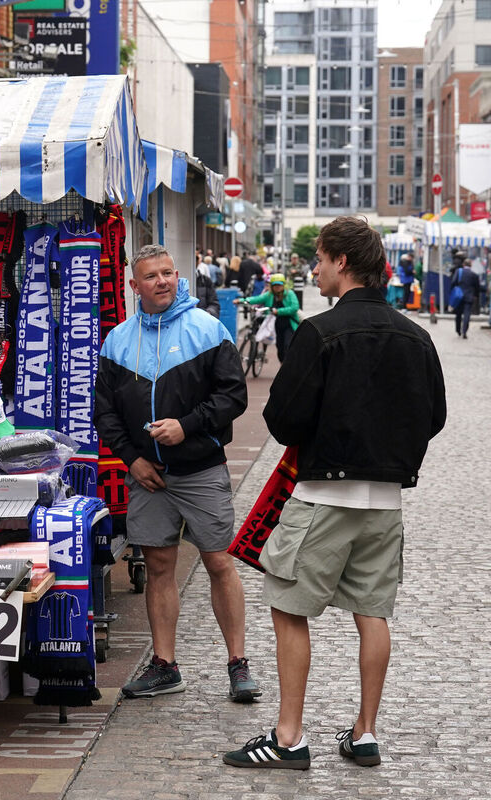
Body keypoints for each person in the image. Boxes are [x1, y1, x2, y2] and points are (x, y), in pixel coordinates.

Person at [223, 216, 445, 771]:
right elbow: (434, 417)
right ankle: (365, 733)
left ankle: (290, 736)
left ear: (342, 263)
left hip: (324, 495)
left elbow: (281, 418)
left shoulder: (321, 332)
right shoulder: (416, 336)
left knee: (286, 604)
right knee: (372, 613)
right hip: (386, 502)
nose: (313, 269)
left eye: (318, 259)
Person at [95, 244, 259, 703]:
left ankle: (238, 663)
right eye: (151, 276)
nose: (163, 282)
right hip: (148, 475)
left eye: (169, 273)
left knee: (219, 562)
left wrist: (185, 426)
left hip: (202, 468)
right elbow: (104, 412)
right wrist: (132, 458)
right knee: (160, 566)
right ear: (135, 286)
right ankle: (165, 665)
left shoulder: (207, 329)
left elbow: (233, 397)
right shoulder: (118, 341)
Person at [235, 273, 301, 363]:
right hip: (276, 327)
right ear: (272, 286)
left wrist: (278, 311)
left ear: (283, 285)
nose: (277, 287)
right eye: (275, 285)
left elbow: (294, 307)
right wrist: (241, 300)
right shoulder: (269, 295)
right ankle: (284, 366)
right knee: (280, 348)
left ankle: (289, 367)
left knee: (287, 345)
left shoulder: (290, 294)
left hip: (289, 325)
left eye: (279, 285)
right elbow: (257, 299)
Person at [450, 250, 480, 338]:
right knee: (467, 314)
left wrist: (453, 292)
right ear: (470, 265)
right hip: (469, 297)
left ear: (463, 265)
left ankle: (458, 330)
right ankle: (464, 331)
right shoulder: (474, 275)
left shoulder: (459, 272)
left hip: (459, 296)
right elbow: (477, 287)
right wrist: (476, 296)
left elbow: (453, 282)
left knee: (458, 314)